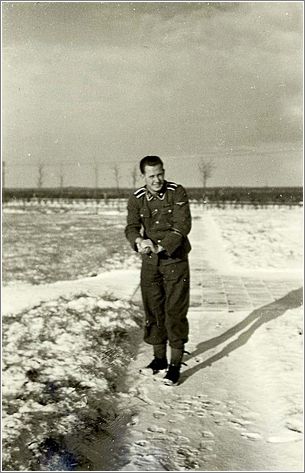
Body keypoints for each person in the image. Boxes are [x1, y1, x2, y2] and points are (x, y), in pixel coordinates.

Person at [125, 155, 192, 385]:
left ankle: (174, 366)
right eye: (152, 176)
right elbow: (132, 226)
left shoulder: (177, 192)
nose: (157, 180)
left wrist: (161, 246)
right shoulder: (137, 199)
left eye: (160, 174)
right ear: (143, 176)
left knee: (174, 311)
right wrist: (139, 242)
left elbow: (183, 225)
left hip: (175, 260)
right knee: (153, 310)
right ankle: (159, 360)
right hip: (150, 263)